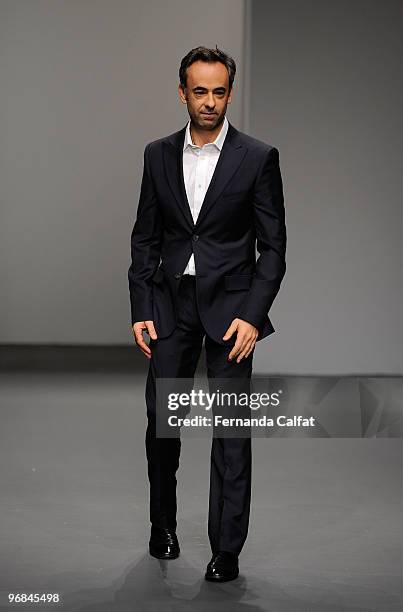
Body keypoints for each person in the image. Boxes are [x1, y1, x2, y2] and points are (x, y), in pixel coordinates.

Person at [128, 45, 286, 582]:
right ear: (182, 93)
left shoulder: (258, 157)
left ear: (229, 93)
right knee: (163, 424)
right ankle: (162, 524)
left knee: (231, 430)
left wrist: (252, 315)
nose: (211, 102)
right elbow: (145, 239)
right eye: (200, 91)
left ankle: (227, 550)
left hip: (230, 314)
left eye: (220, 91)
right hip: (171, 309)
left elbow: (274, 249)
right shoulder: (157, 154)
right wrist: (142, 308)